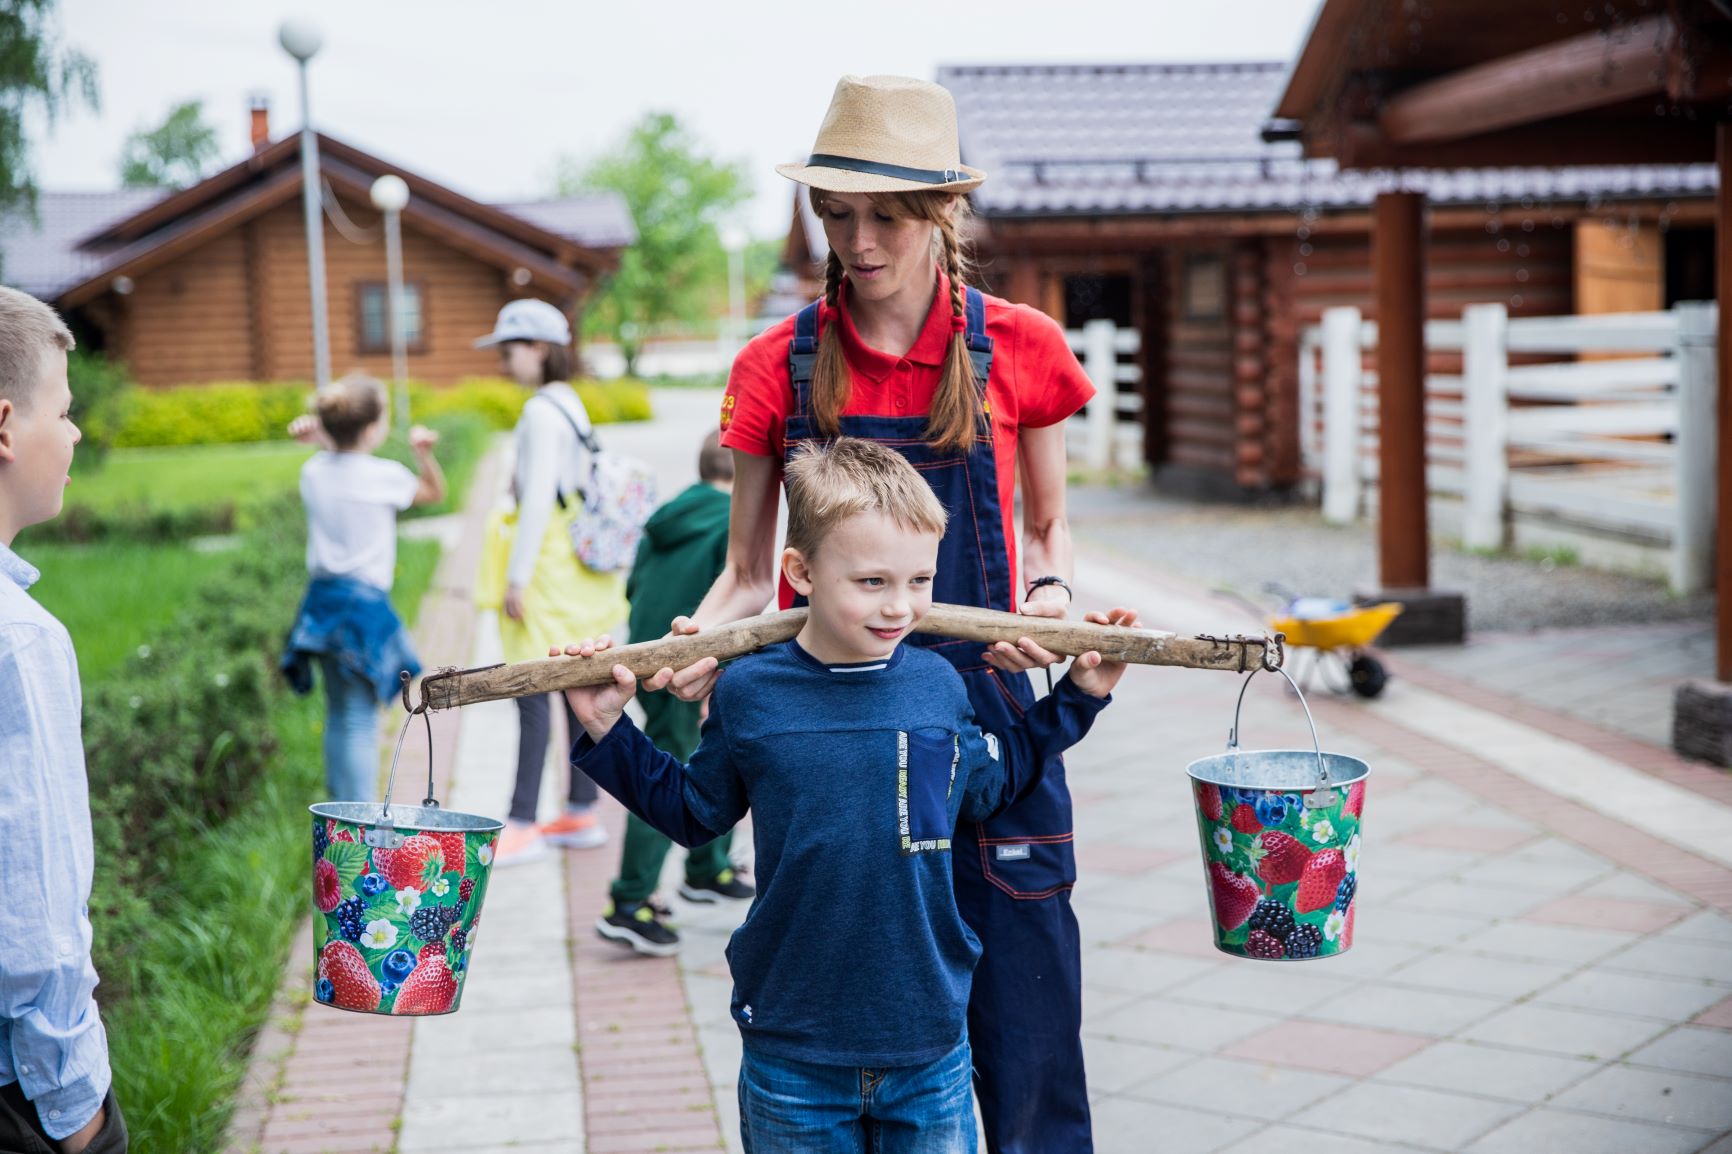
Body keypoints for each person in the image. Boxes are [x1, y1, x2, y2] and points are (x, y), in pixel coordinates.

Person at [665, 75, 1099, 1152]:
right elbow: (747, 568)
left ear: (941, 215)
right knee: (853, 1034)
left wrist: (1047, 600)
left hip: (987, 722)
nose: (857, 241)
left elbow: (1046, 536)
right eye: (837, 213)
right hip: (832, 734)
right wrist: (701, 636)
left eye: (886, 217)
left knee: (1032, 1053)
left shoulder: (1021, 346)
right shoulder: (775, 365)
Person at [561, 438, 1137, 1152]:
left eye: (920, 580)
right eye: (871, 582)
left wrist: (1078, 698)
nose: (902, 606)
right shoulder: (751, 693)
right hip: (793, 1052)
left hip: (929, 1043)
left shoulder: (936, 688)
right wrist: (605, 729)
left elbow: (989, 787)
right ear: (800, 572)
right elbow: (693, 812)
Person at [0, 285, 128, 1153]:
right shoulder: (19, 641)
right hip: (25, 1093)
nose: (75, 433)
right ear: (5, 427)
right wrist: (78, 1108)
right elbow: (32, 914)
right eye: (64, 411)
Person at [475, 299, 627, 864]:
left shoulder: (541, 410)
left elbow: (536, 499)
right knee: (573, 687)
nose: (503, 362)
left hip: (544, 569)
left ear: (539, 348)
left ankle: (521, 822)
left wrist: (516, 578)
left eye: (509, 350)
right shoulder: (569, 403)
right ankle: (580, 811)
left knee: (531, 690)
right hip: (574, 568)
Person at [596, 431, 753, 957]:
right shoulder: (733, 522)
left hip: (646, 650)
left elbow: (632, 586)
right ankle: (630, 901)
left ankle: (707, 868)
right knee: (672, 775)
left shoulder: (666, 516)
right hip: (690, 664)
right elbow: (736, 601)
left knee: (706, 761)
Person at [281, 374, 445, 802]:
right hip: (363, 608)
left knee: (338, 712)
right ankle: (360, 816)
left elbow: (334, 457)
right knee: (358, 718)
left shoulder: (313, 471)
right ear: (372, 428)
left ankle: (339, 808)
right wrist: (423, 455)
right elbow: (433, 492)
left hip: (322, 603)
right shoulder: (384, 476)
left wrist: (318, 437)